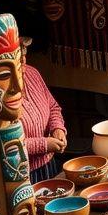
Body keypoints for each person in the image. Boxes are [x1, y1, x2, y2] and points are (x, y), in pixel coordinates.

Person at [18, 48, 67, 183]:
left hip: (48, 166)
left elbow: (53, 107)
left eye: (24, 54)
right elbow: (5, 147)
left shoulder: (32, 73)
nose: (23, 59)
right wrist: (44, 144)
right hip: (21, 175)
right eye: (17, 55)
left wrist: (57, 129)